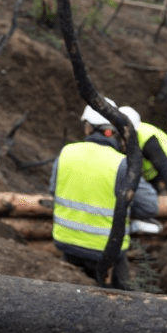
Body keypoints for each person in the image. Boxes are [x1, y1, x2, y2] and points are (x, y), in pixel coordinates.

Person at [50, 100, 159, 289]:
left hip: (67, 244)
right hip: (107, 252)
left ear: (88, 128)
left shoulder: (66, 153)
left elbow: (54, 191)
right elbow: (150, 205)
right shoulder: (122, 164)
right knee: (125, 302)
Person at [118, 105, 167, 194]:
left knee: (152, 189)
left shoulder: (146, 138)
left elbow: (163, 164)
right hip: (140, 167)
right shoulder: (114, 136)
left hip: (154, 164)